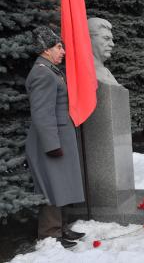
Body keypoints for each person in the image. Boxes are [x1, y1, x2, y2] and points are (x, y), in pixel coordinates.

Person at [25, 26, 86, 248]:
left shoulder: (50, 70)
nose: (63, 51)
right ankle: (50, 235)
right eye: (59, 47)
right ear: (45, 48)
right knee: (51, 186)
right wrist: (52, 145)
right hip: (50, 141)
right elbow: (42, 113)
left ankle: (61, 229)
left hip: (58, 138)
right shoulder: (42, 72)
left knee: (61, 184)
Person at [88, 17, 118, 85]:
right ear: (89, 39)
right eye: (106, 38)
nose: (112, 44)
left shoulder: (106, 73)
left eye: (111, 39)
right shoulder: (85, 72)